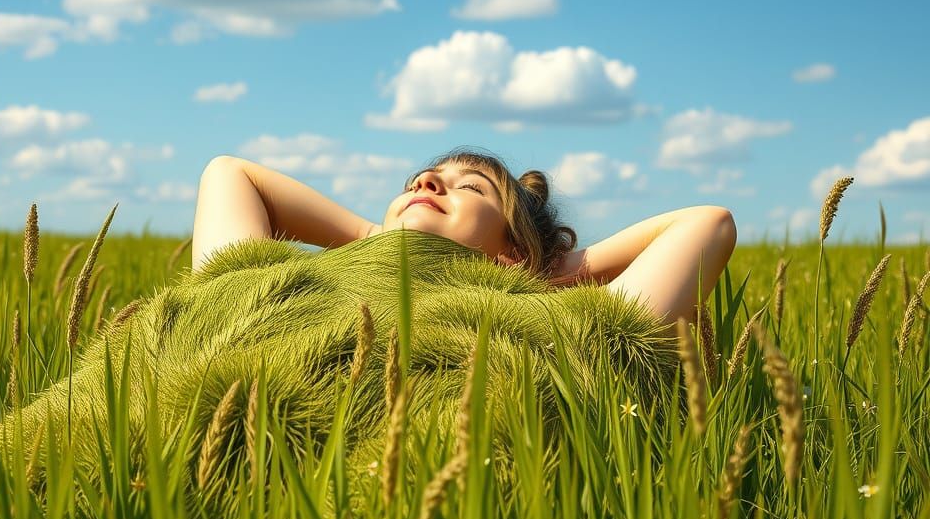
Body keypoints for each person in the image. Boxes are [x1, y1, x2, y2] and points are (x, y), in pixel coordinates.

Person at [191, 146, 737, 334]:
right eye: (419, 183)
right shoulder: (261, 294)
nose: (426, 183)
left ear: (512, 250)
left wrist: (538, 274)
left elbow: (707, 225)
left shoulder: (550, 334)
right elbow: (229, 173)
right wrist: (382, 244)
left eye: (469, 188)